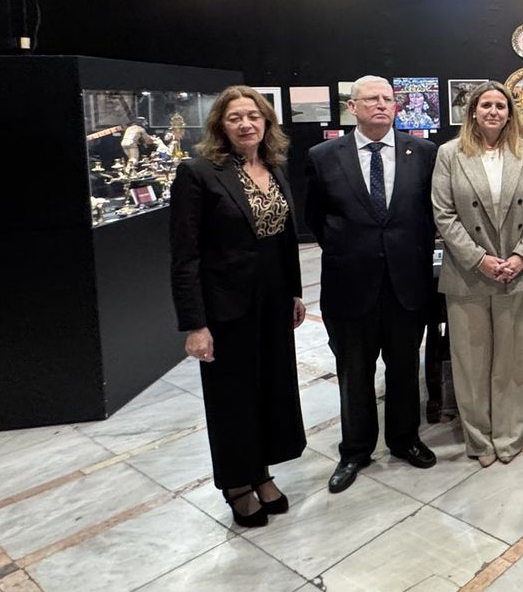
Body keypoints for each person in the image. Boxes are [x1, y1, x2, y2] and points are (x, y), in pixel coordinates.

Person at [169, 85, 306, 527]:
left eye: (253, 115)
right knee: (233, 398)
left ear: (266, 122)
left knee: (270, 390)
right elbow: (184, 254)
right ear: (220, 126)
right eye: (235, 118)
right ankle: (237, 483)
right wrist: (194, 324)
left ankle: (262, 470)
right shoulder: (199, 173)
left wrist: (295, 292)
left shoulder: (274, 167)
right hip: (226, 309)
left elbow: (286, 241)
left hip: (272, 302)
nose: (246, 124)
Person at [304, 76, 438, 494]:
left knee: (403, 367)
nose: (381, 105)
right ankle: (355, 450)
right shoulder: (323, 156)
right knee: (354, 372)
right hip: (350, 285)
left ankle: (404, 440)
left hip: (406, 283)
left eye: (388, 99)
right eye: (372, 99)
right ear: (352, 107)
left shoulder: (424, 153)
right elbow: (314, 218)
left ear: (397, 107)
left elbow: (431, 213)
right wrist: (353, 250)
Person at [432, 81, 523, 466]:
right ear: (473, 112)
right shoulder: (450, 154)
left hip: (516, 271)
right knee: (471, 362)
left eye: (501, 105)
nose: (494, 111)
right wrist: (479, 258)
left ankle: (509, 435)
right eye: (486, 105)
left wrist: (521, 255)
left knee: (514, 362)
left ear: (510, 113)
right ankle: (479, 440)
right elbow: (443, 214)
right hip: (468, 274)